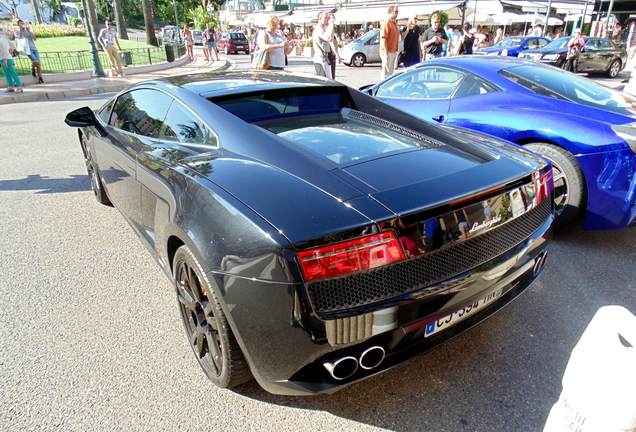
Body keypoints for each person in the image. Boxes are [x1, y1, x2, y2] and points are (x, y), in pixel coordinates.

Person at [380, 5, 401, 80]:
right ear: (390, 12)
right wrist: (386, 52)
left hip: (393, 50)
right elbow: (383, 38)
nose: (397, 13)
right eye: (396, 12)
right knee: (386, 73)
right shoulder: (387, 22)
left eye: (398, 11)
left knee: (390, 73)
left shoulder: (394, 23)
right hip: (388, 51)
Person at [0, 26, 23, 93]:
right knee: (7, 74)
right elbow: (12, 44)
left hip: (5, 58)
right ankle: (10, 86)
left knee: (12, 73)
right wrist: (11, 51)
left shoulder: (1, 40)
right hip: (7, 58)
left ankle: (19, 86)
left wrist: (5, 60)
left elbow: (4, 50)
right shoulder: (4, 39)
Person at [313, 11, 335, 79]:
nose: (327, 19)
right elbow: (328, 38)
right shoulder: (318, 29)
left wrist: (332, 27)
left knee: (329, 79)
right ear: (320, 18)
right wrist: (331, 25)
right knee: (324, 81)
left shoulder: (323, 29)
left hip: (326, 58)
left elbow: (331, 38)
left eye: (328, 17)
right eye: (325, 17)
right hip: (321, 59)